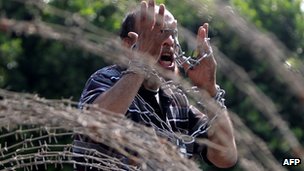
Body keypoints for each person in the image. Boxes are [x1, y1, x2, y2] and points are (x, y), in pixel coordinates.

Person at [73, 0, 237, 170]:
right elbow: (94, 126)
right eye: (156, 33)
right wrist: (141, 64)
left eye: (172, 34)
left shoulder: (177, 101)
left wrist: (210, 91)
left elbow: (225, 157)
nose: (169, 41)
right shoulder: (107, 79)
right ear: (127, 45)